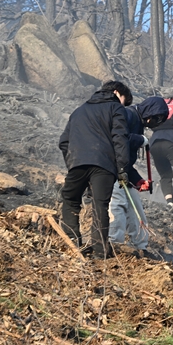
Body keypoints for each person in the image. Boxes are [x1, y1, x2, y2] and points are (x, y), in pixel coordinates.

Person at [59, 80, 131, 259]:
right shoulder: (116, 108)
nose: (124, 105)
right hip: (103, 165)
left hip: (77, 162)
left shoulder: (79, 110)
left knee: (70, 200)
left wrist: (73, 163)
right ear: (117, 93)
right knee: (100, 205)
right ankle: (100, 252)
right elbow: (120, 139)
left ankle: (72, 246)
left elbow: (64, 142)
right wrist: (122, 169)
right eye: (124, 100)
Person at [108, 96, 169, 259]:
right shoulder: (127, 115)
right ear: (150, 112)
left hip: (124, 171)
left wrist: (137, 180)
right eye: (157, 118)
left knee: (136, 208)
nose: (156, 122)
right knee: (117, 204)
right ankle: (114, 244)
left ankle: (141, 246)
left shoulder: (138, 123)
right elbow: (117, 138)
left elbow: (127, 159)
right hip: (111, 169)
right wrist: (139, 140)